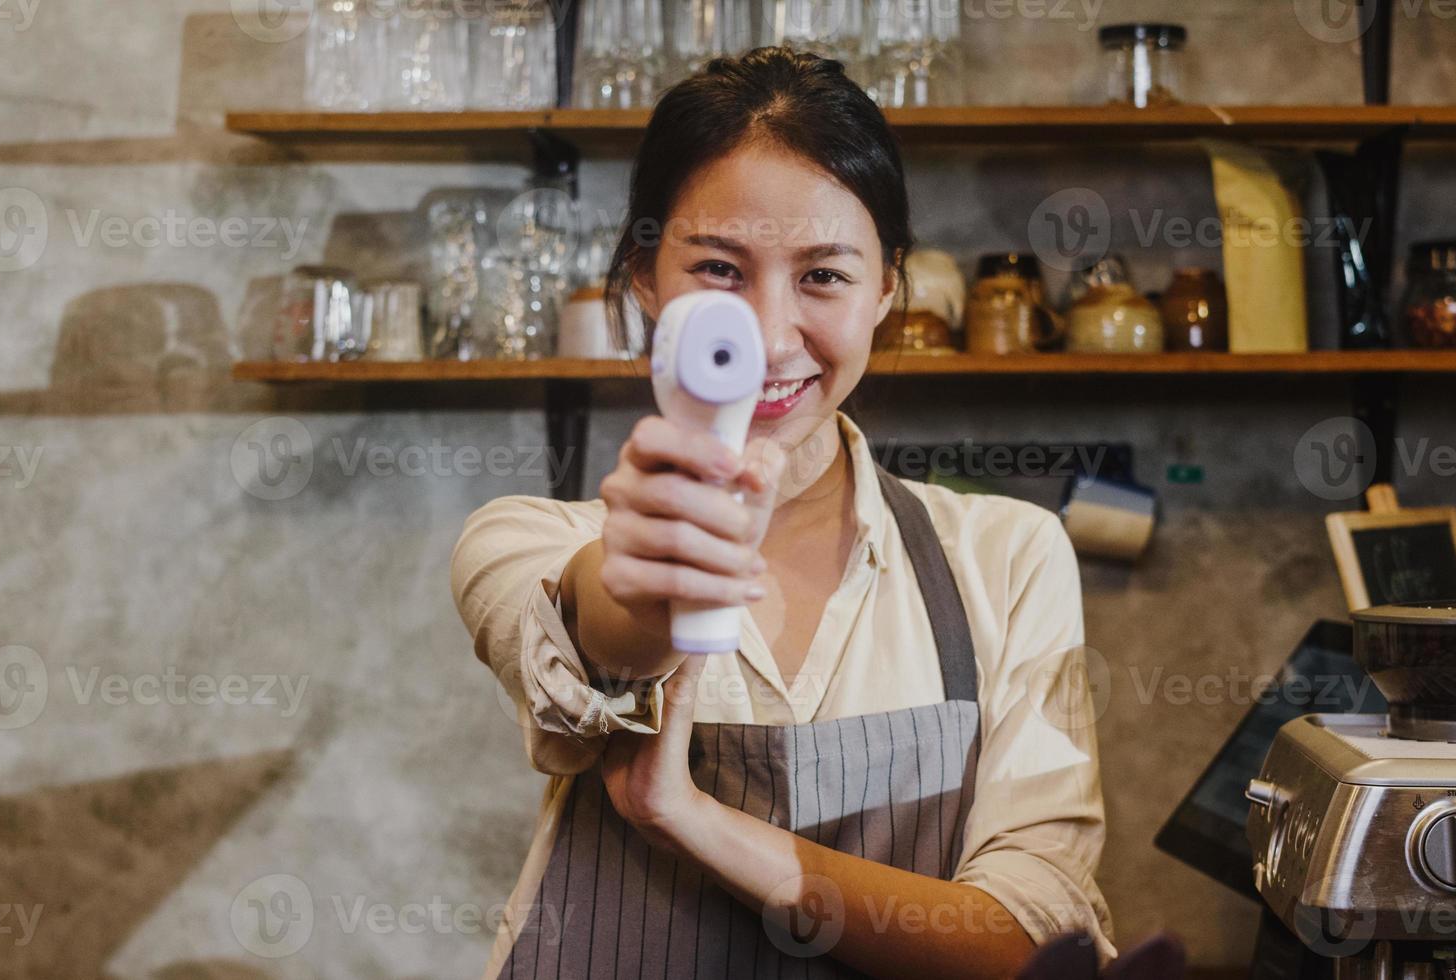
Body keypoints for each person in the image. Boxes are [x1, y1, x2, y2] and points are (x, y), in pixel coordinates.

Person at [451, 46, 1114, 980]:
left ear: (888, 285)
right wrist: (652, 588)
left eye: (824, 276)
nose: (767, 337)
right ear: (645, 279)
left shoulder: (1008, 560)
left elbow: (1027, 941)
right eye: (719, 268)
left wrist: (697, 822)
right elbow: (601, 636)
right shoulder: (524, 542)